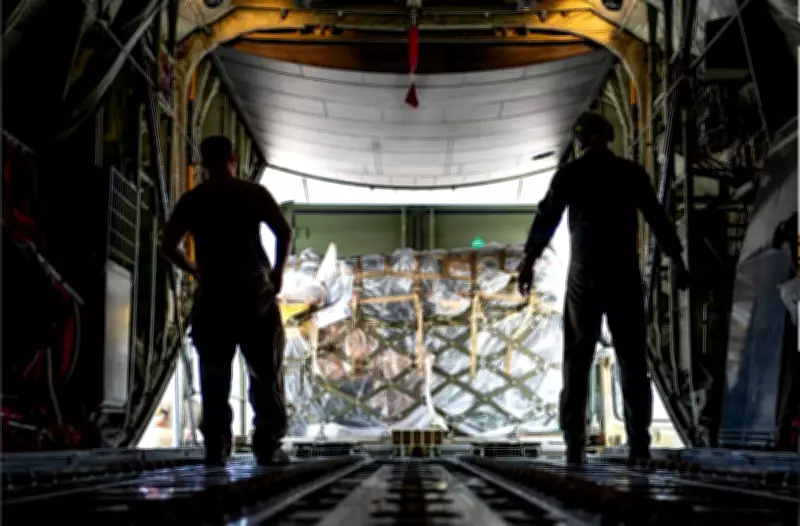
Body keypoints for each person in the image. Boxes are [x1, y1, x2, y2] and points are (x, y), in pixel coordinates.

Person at [517, 112, 691, 465]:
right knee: (632, 360)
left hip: (584, 274)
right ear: (609, 136)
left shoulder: (571, 174)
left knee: (576, 362)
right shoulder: (630, 172)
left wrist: (529, 261)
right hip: (623, 272)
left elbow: (547, 216)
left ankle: (574, 447)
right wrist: (676, 259)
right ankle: (639, 446)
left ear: (580, 141)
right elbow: (656, 216)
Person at [160, 135, 293, 466]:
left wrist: (195, 270)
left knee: (215, 378)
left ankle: (217, 446)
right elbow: (283, 231)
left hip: (214, 298)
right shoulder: (253, 194)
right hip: (254, 297)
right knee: (265, 374)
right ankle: (267, 445)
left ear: (204, 164)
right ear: (232, 159)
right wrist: (277, 273)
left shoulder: (194, 199)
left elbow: (168, 245)